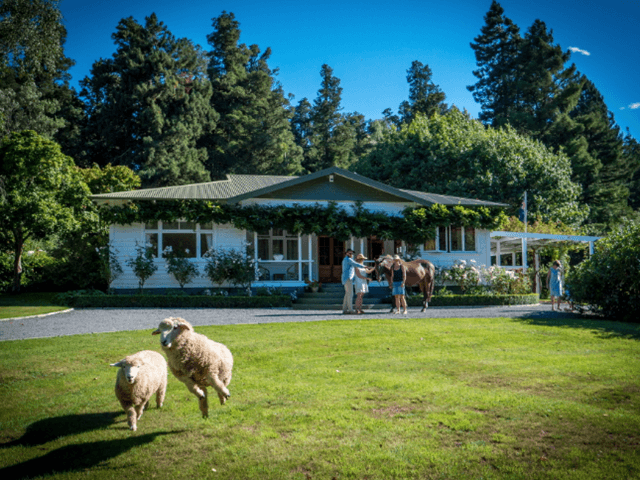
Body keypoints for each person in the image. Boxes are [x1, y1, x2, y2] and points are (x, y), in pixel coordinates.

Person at [341, 249, 366, 314]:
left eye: (352, 253)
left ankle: (344, 309)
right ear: (346, 253)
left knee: (347, 294)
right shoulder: (348, 259)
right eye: (350, 253)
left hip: (346, 279)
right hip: (348, 279)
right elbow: (355, 264)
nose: (351, 254)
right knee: (350, 294)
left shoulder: (346, 259)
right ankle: (350, 309)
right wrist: (364, 266)